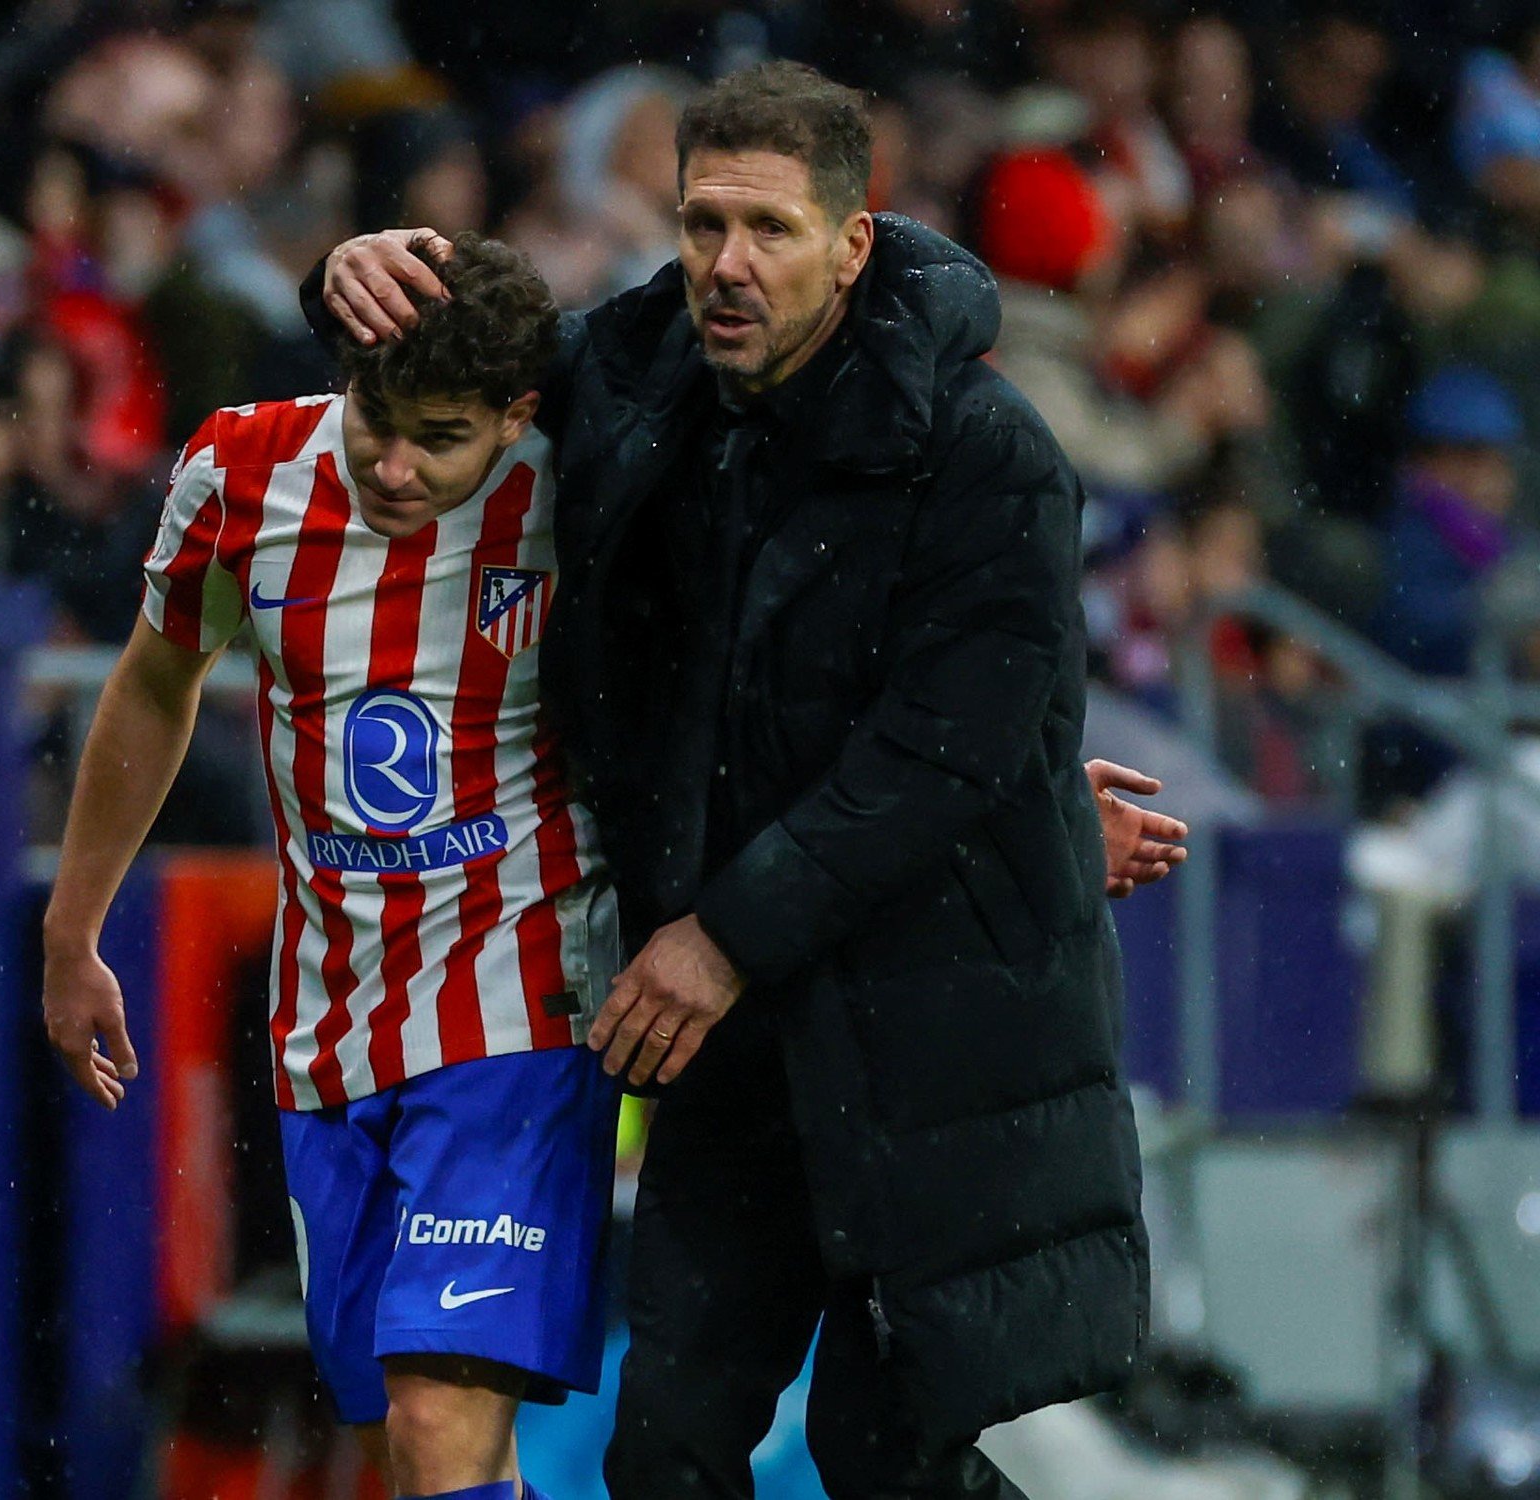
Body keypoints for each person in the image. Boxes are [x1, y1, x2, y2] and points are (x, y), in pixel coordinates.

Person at [313, 60, 1179, 1499]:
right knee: (667, 1449)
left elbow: (936, 752)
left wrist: (726, 935)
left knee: (884, 1452)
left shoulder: (989, 458)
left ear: (853, 243)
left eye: (769, 230)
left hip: (929, 1035)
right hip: (738, 1044)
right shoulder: (638, 374)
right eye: (702, 222)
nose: (727, 264)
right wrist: (351, 278)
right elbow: (455, 359)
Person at [42, 234, 610, 1500]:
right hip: (328, 1028)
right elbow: (151, 685)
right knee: (394, 1437)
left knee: (435, 1418)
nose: (398, 466)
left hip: (519, 1004)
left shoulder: (584, 482)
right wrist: (71, 933)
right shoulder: (237, 469)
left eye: (442, 436)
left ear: (517, 413)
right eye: (377, 422)